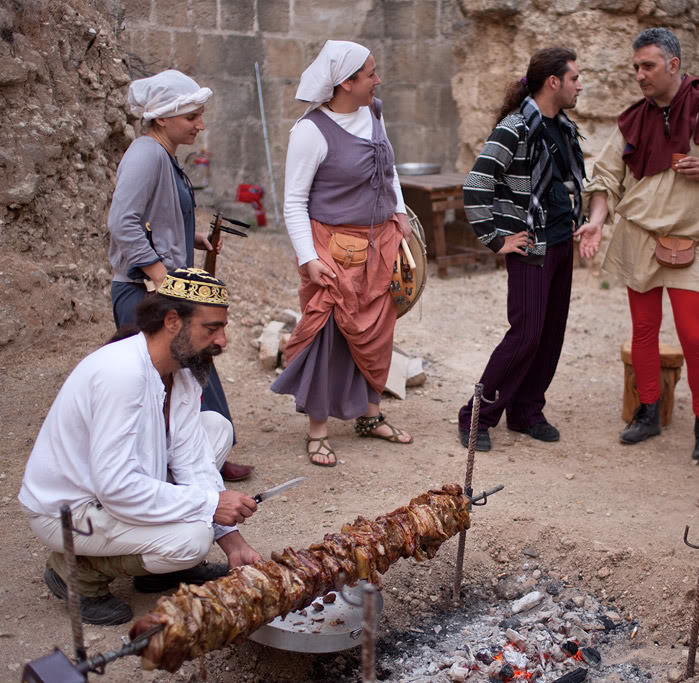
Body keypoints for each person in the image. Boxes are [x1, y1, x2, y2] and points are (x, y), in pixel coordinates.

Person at [19, 269, 263, 625]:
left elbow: (193, 461)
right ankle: (76, 573)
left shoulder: (181, 372)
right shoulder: (123, 374)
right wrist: (210, 504)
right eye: (211, 329)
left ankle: (156, 571)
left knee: (215, 427)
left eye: (222, 328)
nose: (222, 341)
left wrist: (233, 542)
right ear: (172, 322)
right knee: (193, 538)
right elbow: (116, 487)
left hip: (116, 493)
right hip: (71, 513)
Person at [577, 28, 699, 461]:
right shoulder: (633, 119)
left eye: (648, 66)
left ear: (673, 65)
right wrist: (597, 222)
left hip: (694, 239)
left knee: (694, 336)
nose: (639, 75)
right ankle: (647, 412)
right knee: (643, 331)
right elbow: (605, 177)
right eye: (636, 67)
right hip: (639, 237)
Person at [272, 40, 414, 467]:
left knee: (375, 328)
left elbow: (387, 169)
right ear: (346, 82)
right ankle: (318, 430)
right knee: (328, 332)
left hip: (380, 241)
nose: (377, 80)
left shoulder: (374, 112)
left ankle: (369, 415)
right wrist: (308, 258)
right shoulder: (310, 131)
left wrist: (400, 211)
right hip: (331, 246)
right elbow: (294, 202)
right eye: (370, 74)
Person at [106, 69, 252, 482]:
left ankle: (207, 457)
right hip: (142, 292)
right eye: (191, 116)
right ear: (163, 118)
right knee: (162, 382)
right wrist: (159, 273)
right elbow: (123, 221)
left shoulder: (163, 155)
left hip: (163, 286)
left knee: (195, 364)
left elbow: (158, 218)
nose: (200, 124)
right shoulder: (146, 153)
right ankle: (164, 474)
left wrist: (196, 240)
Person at [455, 47, 585, 452]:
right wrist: (497, 239)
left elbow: (565, 182)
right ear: (554, 82)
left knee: (549, 334)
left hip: (561, 242)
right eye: (575, 78)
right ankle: (476, 416)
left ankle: (527, 411)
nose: (580, 85)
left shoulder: (561, 126)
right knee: (525, 333)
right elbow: (477, 184)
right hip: (530, 246)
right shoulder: (516, 127)